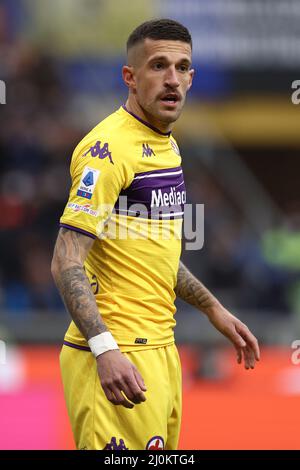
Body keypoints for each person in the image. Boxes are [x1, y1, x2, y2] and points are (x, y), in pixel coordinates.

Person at [51, 18, 260, 451]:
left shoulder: (167, 144)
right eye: (158, 65)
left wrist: (212, 308)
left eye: (182, 68)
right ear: (130, 76)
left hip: (161, 349)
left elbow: (154, 254)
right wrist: (105, 350)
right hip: (116, 354)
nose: (172, 80)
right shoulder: (106, 150)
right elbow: (65, 260)